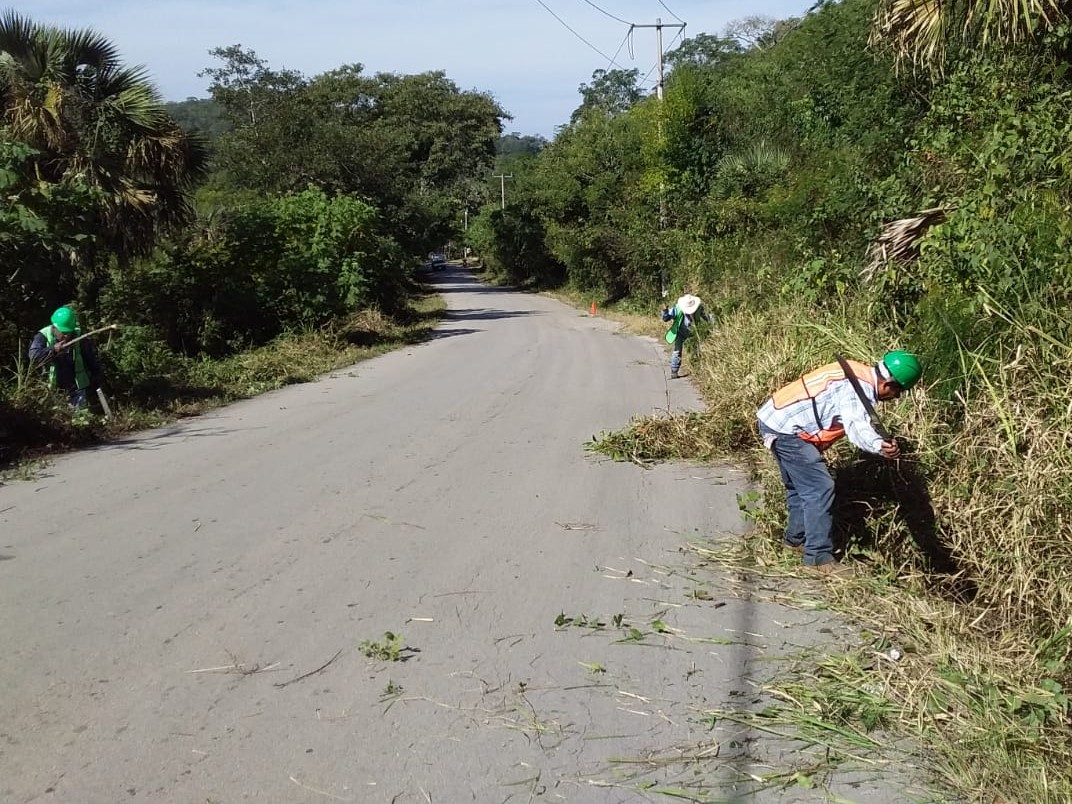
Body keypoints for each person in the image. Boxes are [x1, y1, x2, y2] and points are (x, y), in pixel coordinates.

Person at [756, 351, 923, 575]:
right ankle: (817, 559)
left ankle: (795, 541)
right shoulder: (857, 389)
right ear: (889, 384)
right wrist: (878, 445)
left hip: (775, 419)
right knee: (819, 487)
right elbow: (856, 426)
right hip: (786, 430)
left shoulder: (857, 373)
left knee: (800, 487)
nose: (896, 398)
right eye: (898, 392)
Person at [28, 306, 103, 410]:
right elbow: (33, 355)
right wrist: (53, 350)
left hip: (77, 387)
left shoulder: (79, 336)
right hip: (53, 387)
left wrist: (97, 378)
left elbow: (91, 359)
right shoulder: (43, 336)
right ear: (54, 328)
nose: (67, 337)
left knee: (80, 418)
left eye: (69, 333)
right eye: (63, 333)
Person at [661, 294, 711, 379]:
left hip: (693, 333)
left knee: (697, 350)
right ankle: (674, 371)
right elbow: (666, 318)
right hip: (680, 332)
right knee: (677, 351)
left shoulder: (699, 308)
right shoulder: (677, 308)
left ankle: (697, 369)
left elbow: (706, 317)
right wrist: (665, 312)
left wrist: (710, 325)